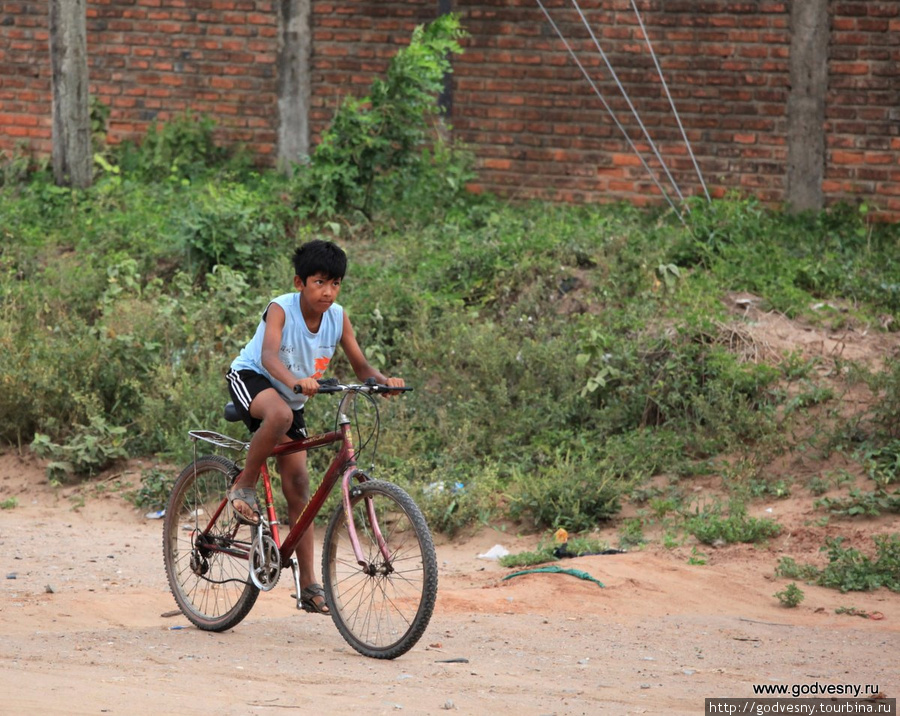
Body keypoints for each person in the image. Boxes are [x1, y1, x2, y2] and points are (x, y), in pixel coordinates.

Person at [225, 239, 404, 614]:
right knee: (280, 416)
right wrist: (293, 380)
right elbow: (268, 356)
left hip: (291, 395)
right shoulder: (280, 309)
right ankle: (244, 486)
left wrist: (382, 380)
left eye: (335, 283)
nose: (328, 292)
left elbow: (361, 366)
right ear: (300, 282)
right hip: (253, 378)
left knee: (299, 488)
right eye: (320, 282)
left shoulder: (338, 317)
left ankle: (308, 587)